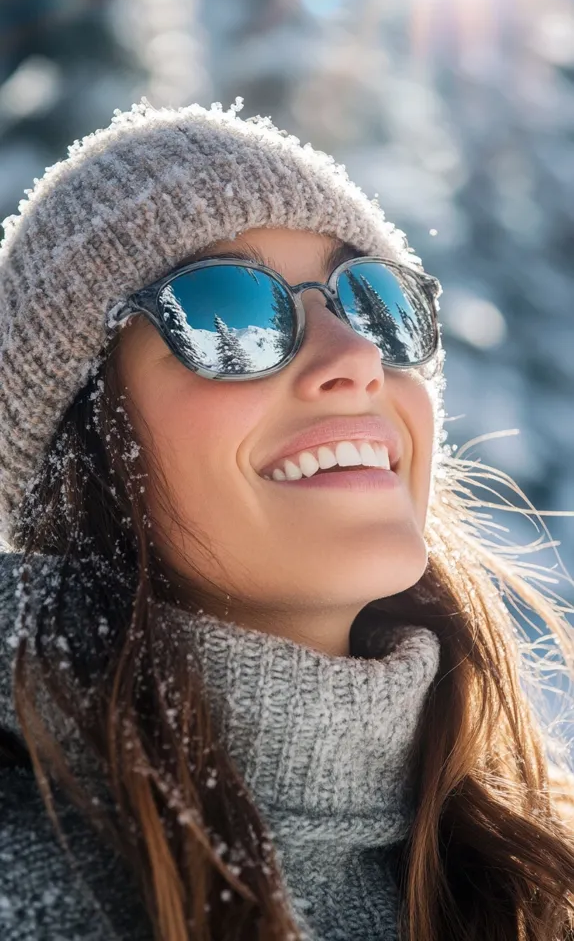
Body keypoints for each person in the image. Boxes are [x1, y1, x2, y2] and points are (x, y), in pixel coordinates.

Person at [0, 98, 573, 941]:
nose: (355, 357)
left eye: (375, 302)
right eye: (226, 313)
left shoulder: (534, 879)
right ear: (81, 450)